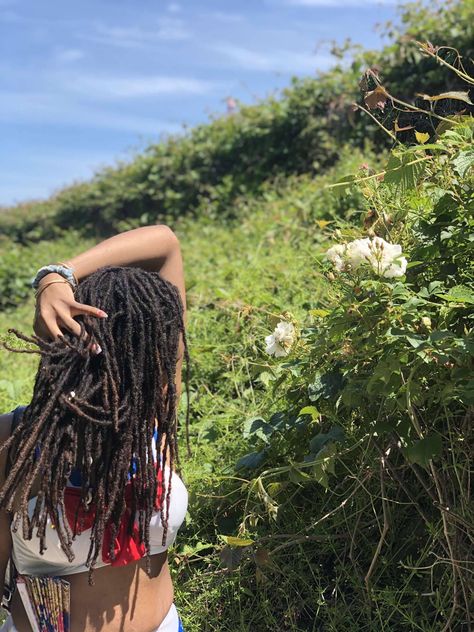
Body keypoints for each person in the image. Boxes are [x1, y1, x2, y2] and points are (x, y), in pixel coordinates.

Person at [0, 225, 189, 632]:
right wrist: (51, 283)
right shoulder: (15, 443)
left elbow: (166, 245)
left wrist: (58, 274)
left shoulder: (152, 421)